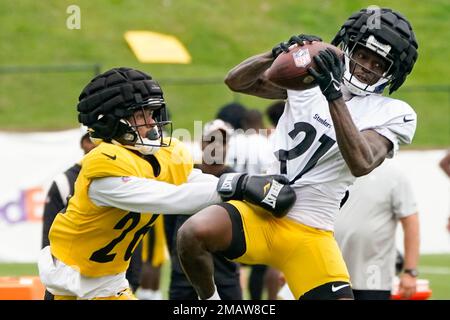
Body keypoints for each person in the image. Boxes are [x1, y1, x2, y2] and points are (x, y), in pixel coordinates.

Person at [177, 7, 419, 300]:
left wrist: (332, 95)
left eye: (378, 64)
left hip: (311, 231)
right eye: (362, 54)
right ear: (347, 47)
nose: (366, 66)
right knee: (192, 233)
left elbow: (362, 161)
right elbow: (236, 82)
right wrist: (275, 54)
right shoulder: (309, 80)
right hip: (260, 209)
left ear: (393, 73)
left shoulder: (394, 113)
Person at [38, 67, 295, 300]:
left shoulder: (158, 155)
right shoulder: (104, 166)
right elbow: (171, 198)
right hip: (73, 288)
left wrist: (241, 183)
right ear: (112, 121)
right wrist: (239, 187)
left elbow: (192, 180)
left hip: (110, 284)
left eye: (152, 113)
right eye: (141, 115)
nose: (152, 123)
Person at [164, 119, 242, 300]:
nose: (216, 146)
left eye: (222, 141)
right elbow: (169, 220)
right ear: (201, 143)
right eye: (211, 140)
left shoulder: (237, 181)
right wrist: (178, 255)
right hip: (184, 275)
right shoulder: (186, 175)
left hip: (224, 274)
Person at [335, 161, 420, 300]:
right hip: (331, 272)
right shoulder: (333, 169)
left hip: (373, 277)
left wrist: (410, 271)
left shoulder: (394, 175)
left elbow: (411, 221)